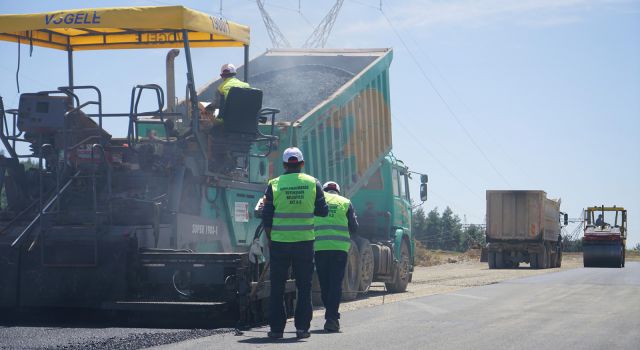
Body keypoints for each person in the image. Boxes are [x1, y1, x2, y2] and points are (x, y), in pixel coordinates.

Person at [262, 147, 329, 340]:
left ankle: (276, 330)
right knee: (304, 287)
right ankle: (301, 329)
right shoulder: (313, 183)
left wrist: (270, 240)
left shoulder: (273, 184)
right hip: (304, 243)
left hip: (280, 244)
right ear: (302, 164)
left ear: (284, 165)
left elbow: (267, 217)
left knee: (277, 287)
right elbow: (322, 211)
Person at [313, 180, 358, 333]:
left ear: (324, 190)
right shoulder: (346, 202)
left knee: (325, 284)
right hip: (339, 249)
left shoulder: (317, 201)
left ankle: (330, 315)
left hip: (320, 248)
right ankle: (332, 318)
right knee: (335, 284)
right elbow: (354, 227)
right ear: (337, 191)